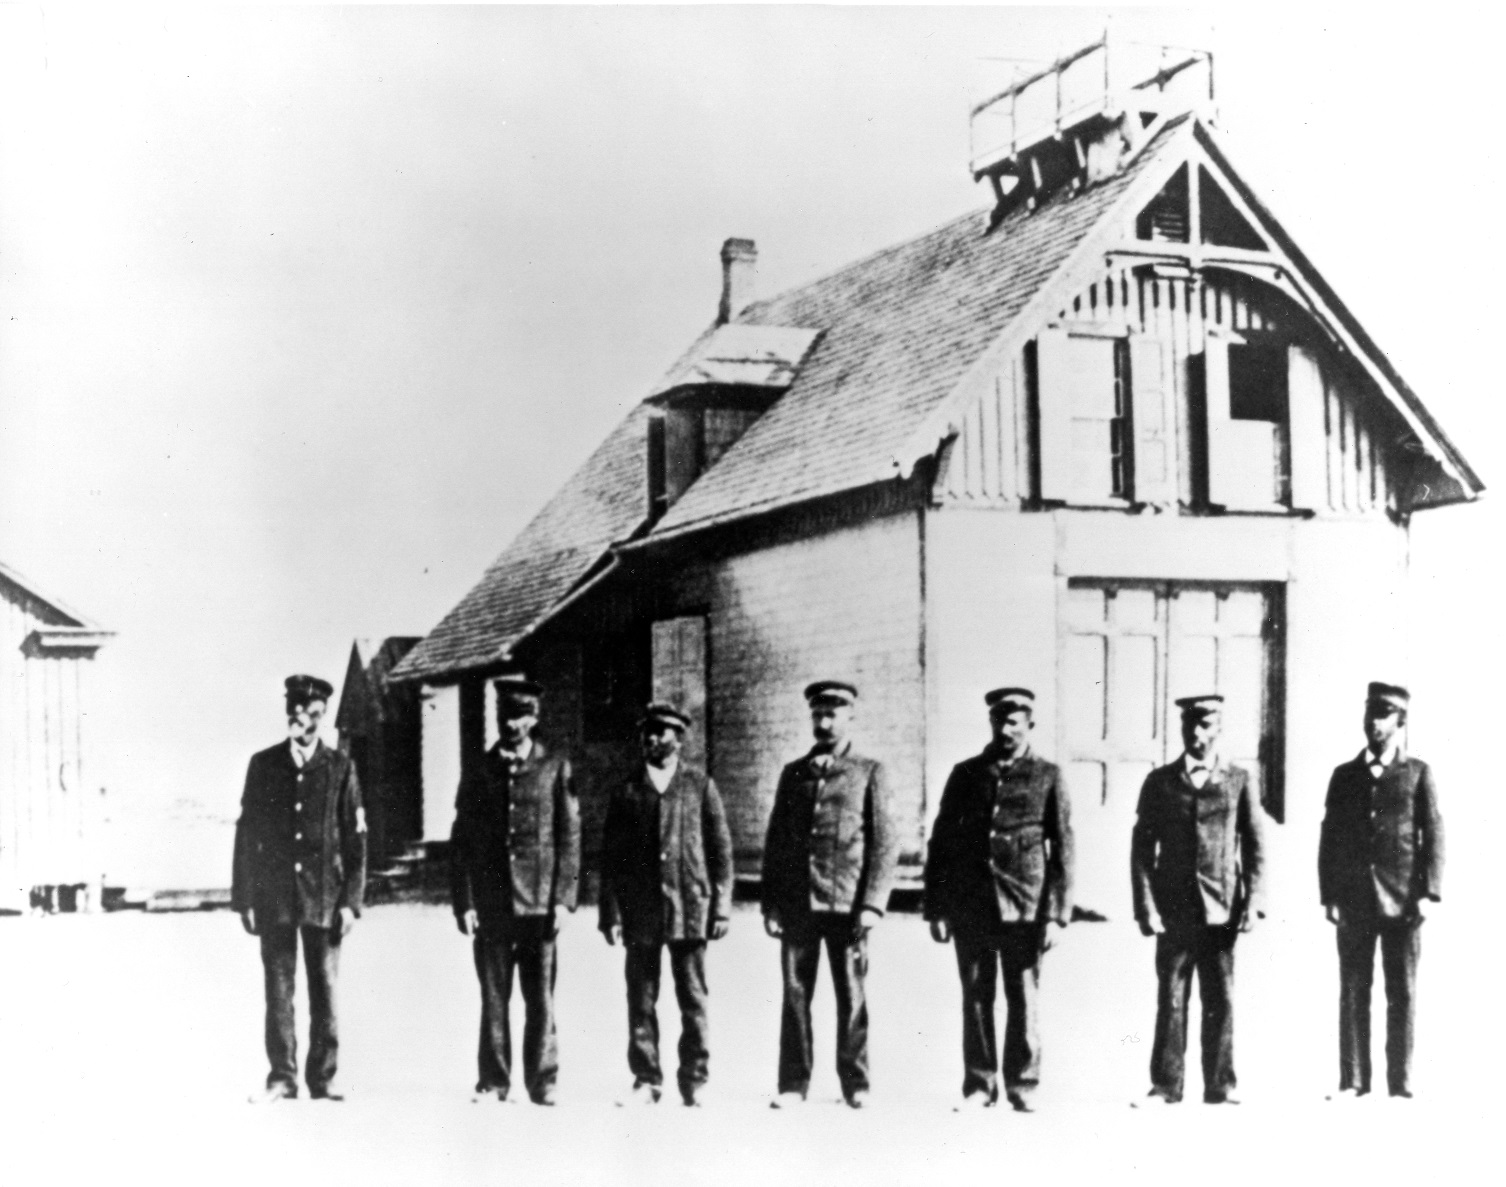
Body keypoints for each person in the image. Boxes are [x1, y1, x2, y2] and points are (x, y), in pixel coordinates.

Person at [924, 687, 1073, 1112]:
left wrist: (1056, 915)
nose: (1006, 729)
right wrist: (937, 907)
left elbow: (1063, 847)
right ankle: (978, 1086)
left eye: (1014, 721)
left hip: (1025, 907)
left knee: (1023, 997)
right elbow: (942, 843)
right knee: (975, 996)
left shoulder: (1049, 775)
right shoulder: (966, 773)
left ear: (1030, 725)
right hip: (971, 905)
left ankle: (1024, 1086)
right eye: (999, 720)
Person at [762, 680, 897, 1109]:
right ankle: (792, 1084)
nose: (824, 722)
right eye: (818, 714)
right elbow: (777, 843)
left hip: (849, 905)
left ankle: (856, 1084)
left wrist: (873, 904)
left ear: (850, 716)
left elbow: (884, 842)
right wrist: (772, 904)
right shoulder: (794, 774)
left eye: (833, 714)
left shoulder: (868, 771)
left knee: (852, 995)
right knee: (795, 994)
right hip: (800, 903)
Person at [232, 674, 367, 1103]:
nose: (299, 716)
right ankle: (282, 1078)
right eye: (293, 708)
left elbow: (356, 837)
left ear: (322, 716)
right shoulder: (264, 765)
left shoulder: (341, 767)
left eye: (309, 711)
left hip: (325, 897)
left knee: (325, 990)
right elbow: (246, 834)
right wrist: (245, 899)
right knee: (278, 991)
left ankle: (324, 1078)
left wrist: (352, 902)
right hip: (275, 897)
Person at [449, 675, 580, 1106]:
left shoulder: (554, 766)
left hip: (540, 902)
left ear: (534, 718)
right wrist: (464, 901)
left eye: (521, 716)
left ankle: (544, 1081)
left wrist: (564, 898)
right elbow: (462, 841)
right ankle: (493, 1082)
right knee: (493, 996)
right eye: (505, 715)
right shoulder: (479, 769)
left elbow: (569, 837)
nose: (512, 724)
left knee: (540, 997)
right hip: (492, 903)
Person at [1129, 694, 1265, 1107]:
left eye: (1207, 726)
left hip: (1222, 910)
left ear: (1220, 729)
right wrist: (1147, 907)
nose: (1198, 734)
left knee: (1220, 999)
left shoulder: (1239, 779)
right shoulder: (1160, 782)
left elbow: (1255, 845)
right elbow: (1141, 851)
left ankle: (1221, 1086)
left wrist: (1254, 900)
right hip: (1173, 913)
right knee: (1171, 999)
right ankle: (1165, 1085)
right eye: (1191, 726)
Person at [599, 703, 734, 1107]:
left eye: (661, 732)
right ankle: (646, 1079)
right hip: (641, 912)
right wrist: (612, 913)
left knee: (693, 999)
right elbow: (610, 860)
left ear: (679, 739)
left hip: (690, 909)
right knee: (641, 998)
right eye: (647, 732)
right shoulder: (626, 791)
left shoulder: (700, 786)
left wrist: (721, 906)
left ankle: (696, 1080)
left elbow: (721, 852)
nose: (651, 740)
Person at [1318, 682, 1444, 1101]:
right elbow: (1330, 838)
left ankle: (1400, 1082)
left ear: (1400, 722)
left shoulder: (1418, 773)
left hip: (1403, 900)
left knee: (1402, 991)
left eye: (1384, 714)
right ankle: (1353, 1079)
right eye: (1370, 712)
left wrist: (1429, 892)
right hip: (1354, 900)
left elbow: (1434, 835)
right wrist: (1330, 895)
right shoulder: (1344, 776)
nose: (1374, 722)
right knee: (1353, 988)